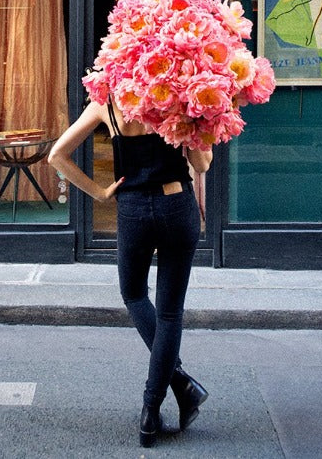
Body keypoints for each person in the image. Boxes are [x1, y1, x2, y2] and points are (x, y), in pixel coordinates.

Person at [47, 95, 212, 448]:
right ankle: (152, 410)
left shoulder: (106, 103)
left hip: (134, 209)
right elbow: (201, 164)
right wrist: (197, 122)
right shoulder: (181, 97)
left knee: (134, 294)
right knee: (170, 314)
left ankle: (177, 386)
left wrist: (100, 192)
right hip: (176, 204)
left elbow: (57, 155)